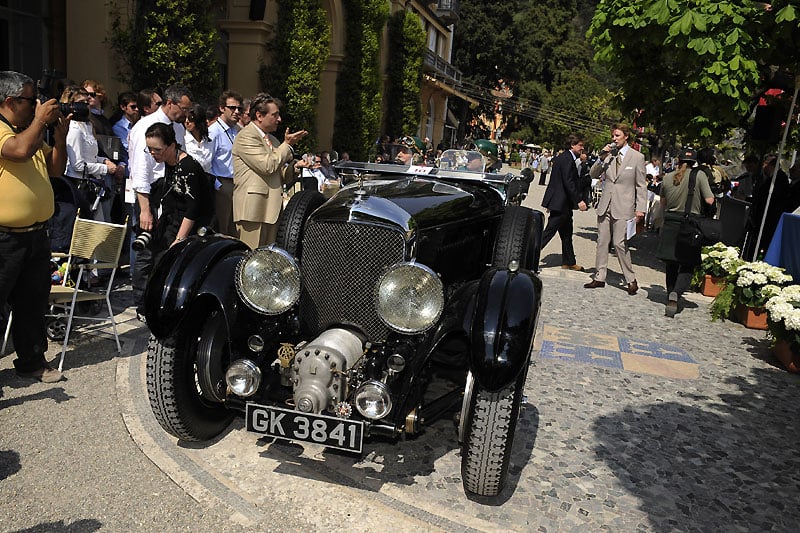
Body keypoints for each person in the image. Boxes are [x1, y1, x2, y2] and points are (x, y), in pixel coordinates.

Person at [0, 70, 69, 382]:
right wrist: (41, 121)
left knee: (33, 302)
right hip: (5, 239)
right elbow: (18, 151)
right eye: (31, 100)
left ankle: (31, 361)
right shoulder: (6, 132)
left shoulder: (27, 130)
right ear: (10, 100)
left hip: (36, 236)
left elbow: (55, 168)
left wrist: (61, 137)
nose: (38, 105)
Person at [129, 84, 193, 319]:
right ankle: (142, 305)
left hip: (172, 192)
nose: (186, 114)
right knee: (147, 252)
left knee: (165, 250)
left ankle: (161, 299)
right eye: (183, 108)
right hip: (150, 194)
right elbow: (140, 173)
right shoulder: (144, 127)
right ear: (170, 102)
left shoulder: (176, 127)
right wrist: (145, 209)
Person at [232, 93, 307, 249]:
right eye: (275, 115)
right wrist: (287, 145)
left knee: (266, 262)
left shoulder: (272, 140)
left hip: (271, 211)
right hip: (253, 211)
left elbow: (279, 174)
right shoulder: (246, 137)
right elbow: (267, 166)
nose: (279, 119)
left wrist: (294, 168)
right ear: (259, 116)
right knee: (250, 260)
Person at [584, 123, 647, 295]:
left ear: (626, 136)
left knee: (620, 243)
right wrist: (601, 156)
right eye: (613, 135)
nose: (614, 139)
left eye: (617, 135)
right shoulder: (609, 155)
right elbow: (593, 174)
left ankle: (630, 279)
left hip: (625, 206)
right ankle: (599, 276)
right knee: (602, 242)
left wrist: (641, 208)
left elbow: (641, 186)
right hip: (606, 204)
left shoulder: (637, 157)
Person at [655, 148, 714, 317]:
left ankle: (670, 293)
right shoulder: (699, 176)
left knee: (671, 263)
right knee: (688, 263)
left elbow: (663, 204)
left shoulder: (667, 177)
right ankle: (677, 293)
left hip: (671, 222)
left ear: (678, 161)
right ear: (694, 162)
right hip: (690, 224)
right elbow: (710, 200)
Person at [143, 122, 214, 259]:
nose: (153, 153)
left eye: (157, 149)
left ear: (172, 146)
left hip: (193, 226)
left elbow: (193, 207)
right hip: (173, 221)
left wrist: (179, 240)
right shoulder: (169, 162)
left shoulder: (187, 167)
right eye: (149, 149)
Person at [62, 85, 119, 222]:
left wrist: (104, 161)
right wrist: (105, 168)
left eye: (86, 103)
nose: (85, 106)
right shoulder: (73, 128)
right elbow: (77, 165)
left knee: (102, 224)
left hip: (93, 184)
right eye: (81, 103)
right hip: (79, 186)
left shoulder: (88, 126)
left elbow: (90, 156)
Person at [540, 134, 588, 270]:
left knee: (566, 234)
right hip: (560, 203)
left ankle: (569, 261)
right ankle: (527, 255)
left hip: (563, 203)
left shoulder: (565, 158)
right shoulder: (567, 159)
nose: (582, 148)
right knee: (548, 232)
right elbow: (568, 182)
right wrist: (578, 200)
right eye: (580, 145)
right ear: (572, 145)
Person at [208, 89, 244, 237]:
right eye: (232, 108)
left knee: (235, 228)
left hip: (237, 183)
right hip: (223, 183)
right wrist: (218, 185)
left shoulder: (237, 130)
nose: (236, 112)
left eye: (239, 108)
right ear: (222, 108)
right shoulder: (214, 131)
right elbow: (206, 162)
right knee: (222, 228)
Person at [183, 103, 214, 174]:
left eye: (191, 118)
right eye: (185, 118)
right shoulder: (183, 141)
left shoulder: (209, 141)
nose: (187, 121)